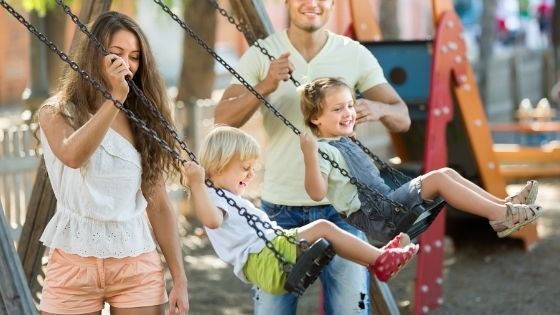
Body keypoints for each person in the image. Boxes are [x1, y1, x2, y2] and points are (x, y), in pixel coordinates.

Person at [214, 0, 410, 313]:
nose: (312, 4)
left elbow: (402, 116)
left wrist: (379, 109)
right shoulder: (265, 53)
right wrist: (266, 84)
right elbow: (222, 118)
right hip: (280, 213)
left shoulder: (353, 53)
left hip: (343, 211)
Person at [36, 11, 189, 315]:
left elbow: (158, 205)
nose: (127, 64)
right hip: (73, 263)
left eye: (134, 57)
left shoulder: (143, 118)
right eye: (116, 53)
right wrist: (114, 99)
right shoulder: (57, 112)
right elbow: (73, 154)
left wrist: (180, 279)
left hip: (135, 262)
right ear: (94, 55)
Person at [299, 77, 544, 244]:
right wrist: (309, 155)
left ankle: (503, 206)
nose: (348, 113)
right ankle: (501, 215)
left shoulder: (341, 141)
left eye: (350, 105)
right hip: (378, 216)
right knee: (438, 178)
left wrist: (346, 130)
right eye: (337, 109)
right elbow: (316, 193)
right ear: (316, 119)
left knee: (446, 173)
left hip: (384, 206)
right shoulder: (321, 150)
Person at [184, 126, 419, 295]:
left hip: (269, 254)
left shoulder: (223, 196)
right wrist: (196, 183)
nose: (251, 174)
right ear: (219, 165)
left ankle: (378, 261)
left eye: (253, 168)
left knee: (326, 234)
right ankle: (379, 259)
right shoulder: (213, 196)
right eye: (245, 168)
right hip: (265, 260)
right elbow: (211, 221)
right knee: (324, 228)